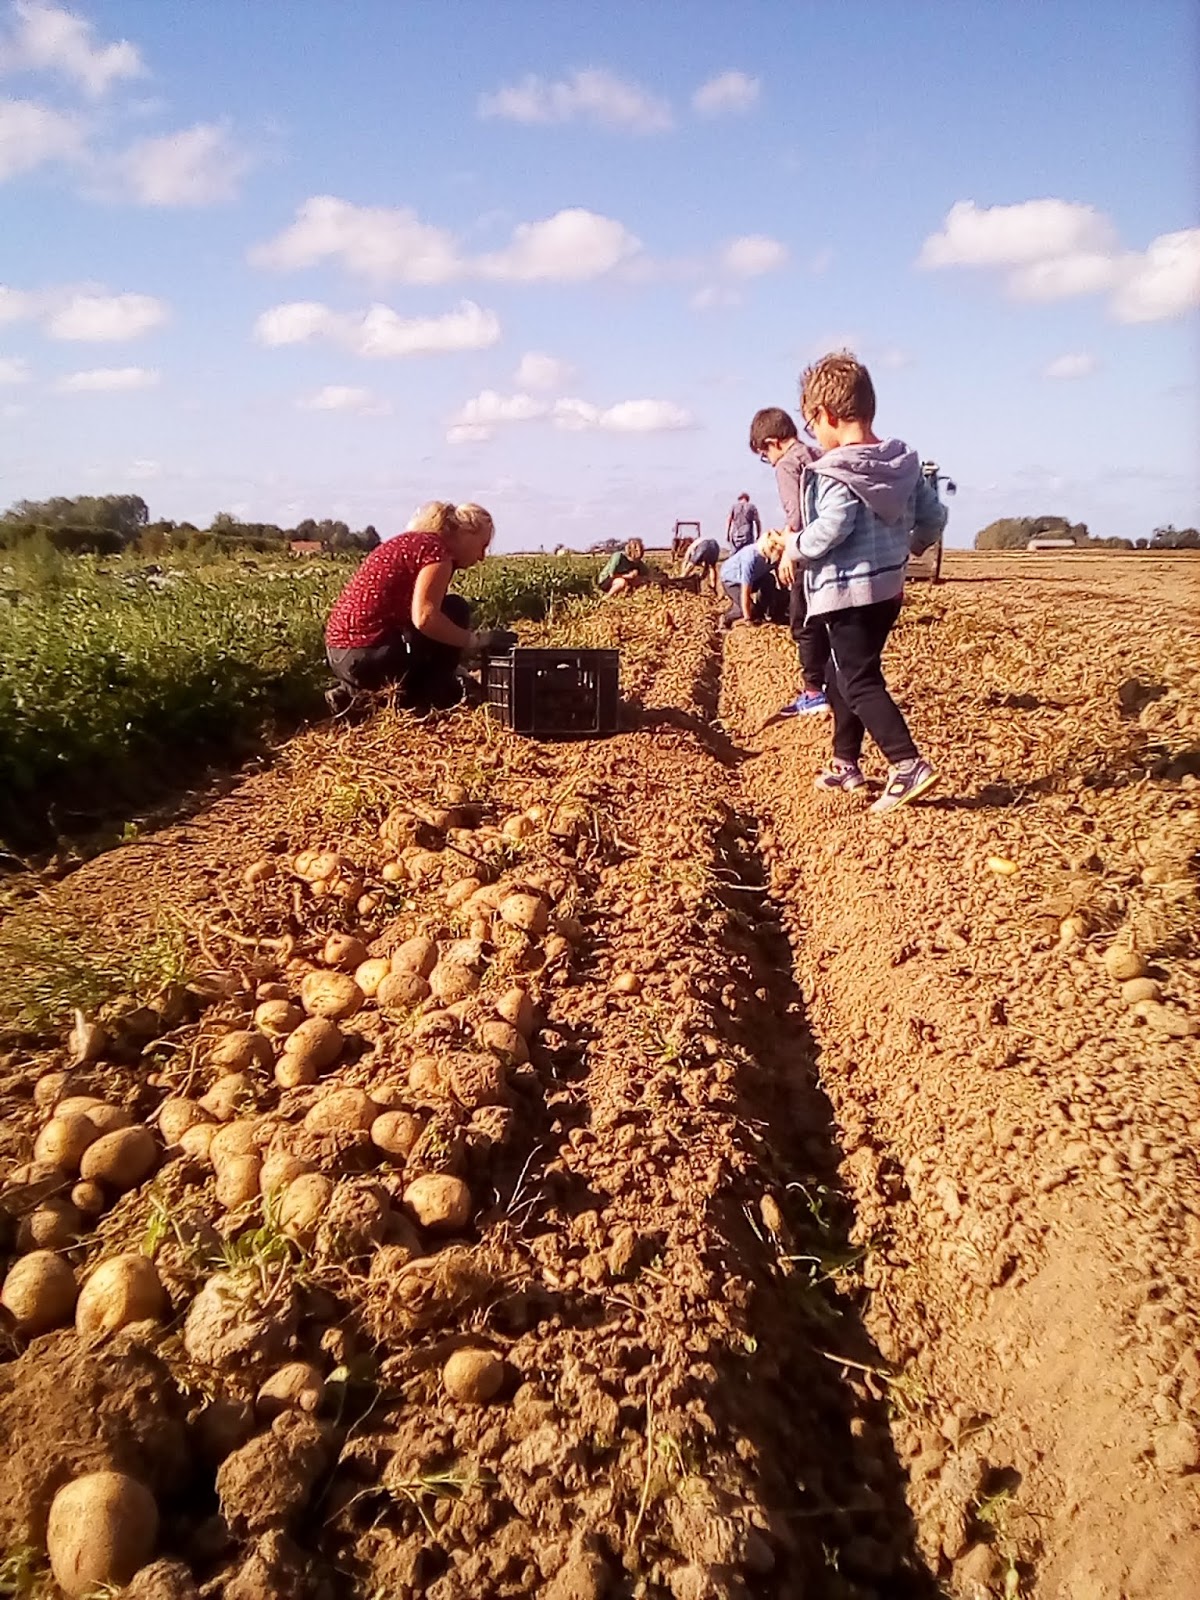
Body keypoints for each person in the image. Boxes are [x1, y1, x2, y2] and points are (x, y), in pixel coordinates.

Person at [777, 351, 947, 814]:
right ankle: (845, 762)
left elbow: (832, 528)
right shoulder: (900, 464)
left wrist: (793, 546)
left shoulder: (835, 472)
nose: (815, 436)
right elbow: (935, 516)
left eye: (812, 426)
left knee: (859, 680)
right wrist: (912, 546)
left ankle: (907, 763)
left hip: (847, 593)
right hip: (887, 590)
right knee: (840, 674)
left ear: (825, 415)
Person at [324, 501, 516, 712]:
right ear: (466, 533)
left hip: (341, 652)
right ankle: (432, 700)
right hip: (368, 654)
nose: (481, 557)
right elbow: (425, 618)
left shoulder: (414, 542)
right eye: (482, 546)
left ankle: (355, 695)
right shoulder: (437, 553)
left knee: (444, 614)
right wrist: (474, 640)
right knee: (454, 610)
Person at [749, 406, 827, 717]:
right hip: (829, 549)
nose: (767, 461)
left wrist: (787, 554)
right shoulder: (816, 454)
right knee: (826, 621)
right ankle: (832, 686)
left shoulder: (786, 465)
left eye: (763, 454)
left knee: (802, 620)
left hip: (807, 551)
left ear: (772, 442)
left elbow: (796, 514)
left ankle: (812, 693)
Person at [719, 530, 786, 629]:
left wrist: (782, 595)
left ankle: (764, 613)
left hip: (756, 577)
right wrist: (748, 619)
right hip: (732, 581)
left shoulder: (774, 557)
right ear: (771, 549)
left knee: (769, 579)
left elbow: (779, 575)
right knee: (749, 609)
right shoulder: (751, 558)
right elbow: (745, 591)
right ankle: (726, 618)